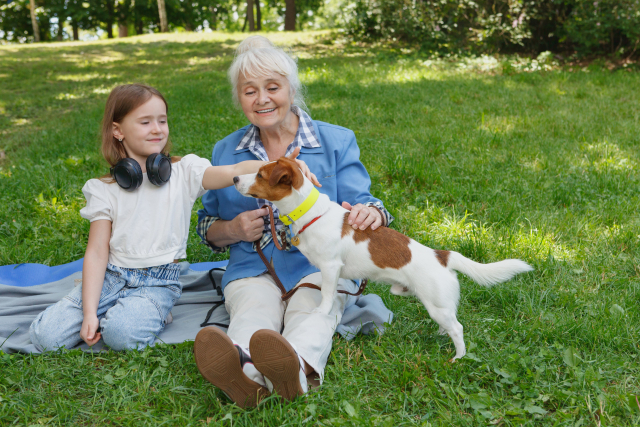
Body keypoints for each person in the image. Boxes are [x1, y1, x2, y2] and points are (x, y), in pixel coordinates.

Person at [29, 83, 317, 352]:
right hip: (111, 277)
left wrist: (281, 166)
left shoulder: (185, 173)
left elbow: (236, 168)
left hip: (159, 281)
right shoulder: (103, 189)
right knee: (45, 337)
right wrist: (90, 311)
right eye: (145, 122)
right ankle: (112, 305)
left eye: (162, 120)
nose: (157, 129)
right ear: (118, 131)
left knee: (120, 335)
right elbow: (96, 252)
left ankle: (151, 309)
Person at [194, 36, 394, 407]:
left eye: (273, 87)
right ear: (240, 98)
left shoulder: (335, 141)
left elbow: (367, 203)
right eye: (249, 91)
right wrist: (233, 229)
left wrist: (374, 213)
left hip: (320, 265)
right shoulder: (226, 152)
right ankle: (246, 375)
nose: (262, 99)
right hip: (252, 267)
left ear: (292, 89)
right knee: (253, 308)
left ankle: (294, 369)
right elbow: (207, 226)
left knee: (313, 307)